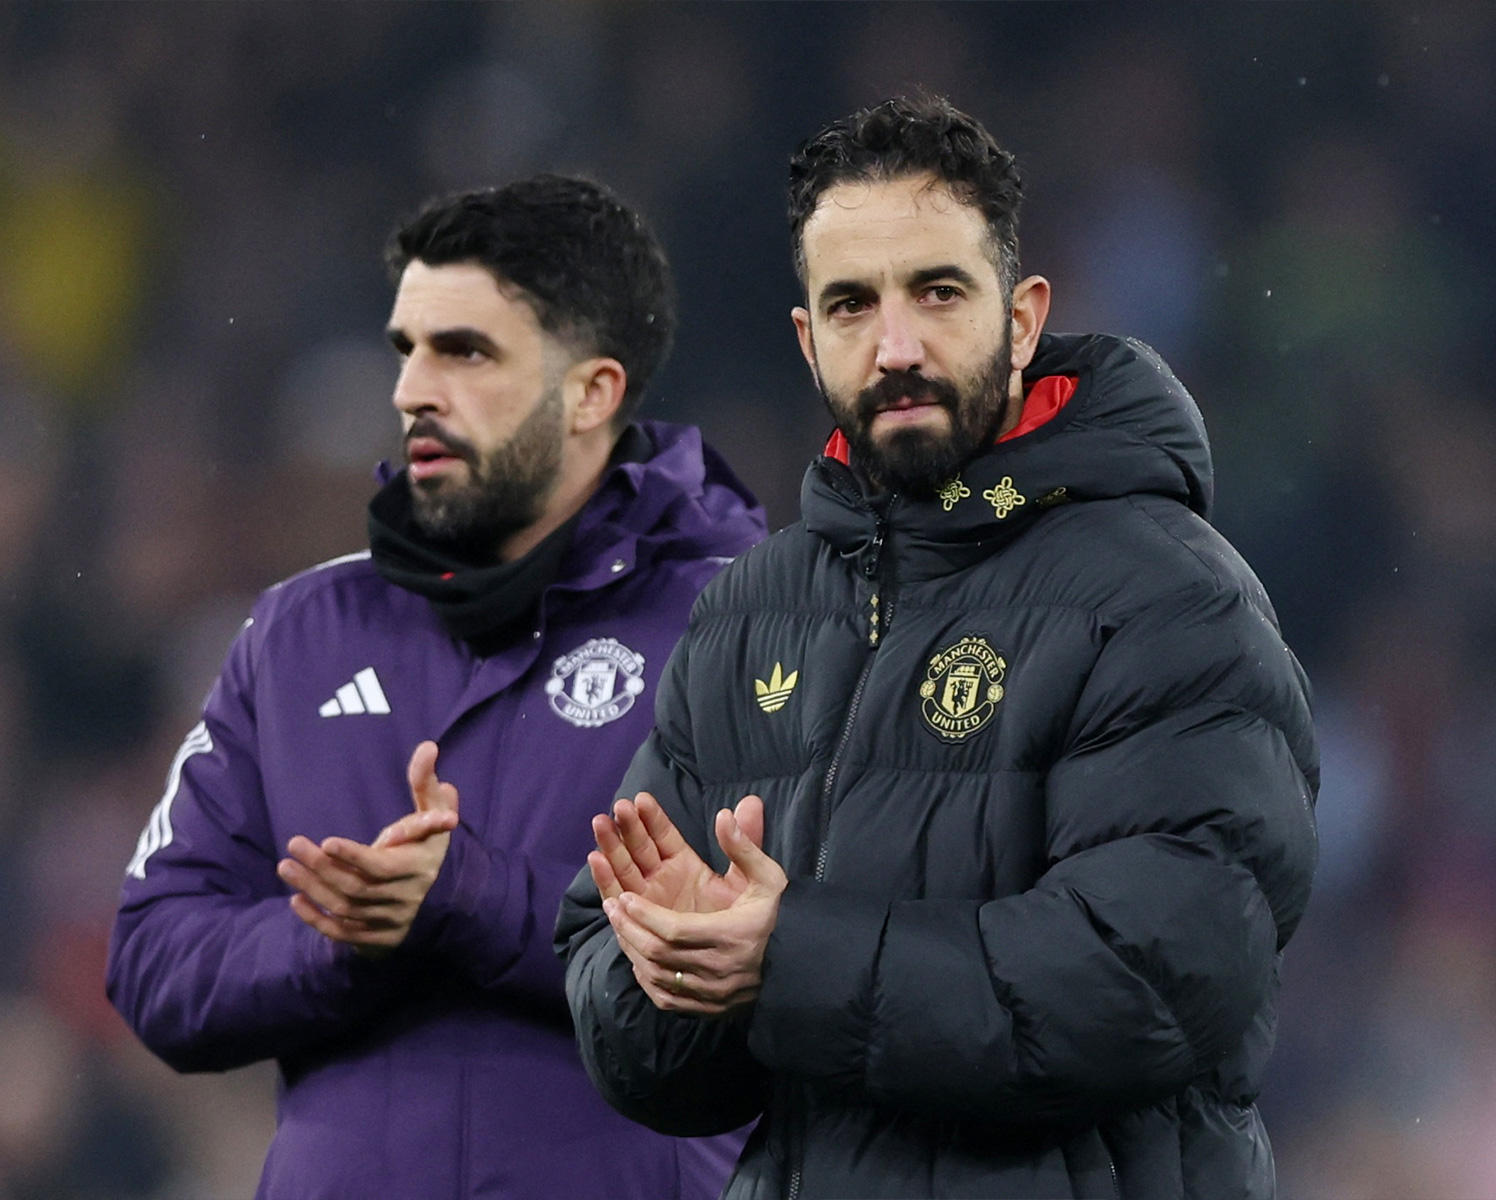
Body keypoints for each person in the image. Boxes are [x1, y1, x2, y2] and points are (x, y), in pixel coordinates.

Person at [557, 97, 1318, 1198]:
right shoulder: (749, 615)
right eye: (853, 305)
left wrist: (785, 959)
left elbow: (1146, 982)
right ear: (808, 340)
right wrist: (672, 967)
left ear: (1020, 318)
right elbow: (614, 998)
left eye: (937, 291)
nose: (897, 346)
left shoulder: (1168, 599)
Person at [107, 177, 765, 1200]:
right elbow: (154, 960)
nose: (414, 387)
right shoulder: (298, 634)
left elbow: (773, 949)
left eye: (465, 351)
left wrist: (469, 896)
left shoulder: (746, 623)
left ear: (591, 391)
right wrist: (335, 938)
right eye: (406, 348)